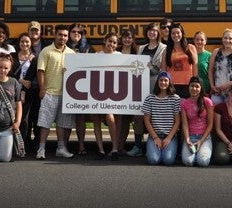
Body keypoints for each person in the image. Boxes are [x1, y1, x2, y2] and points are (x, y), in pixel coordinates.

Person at [36, 25, 76, 160]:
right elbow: (40, 71)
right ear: (55, 35)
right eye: (60, 35)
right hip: (49, 93)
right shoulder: (46, 51)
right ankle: (41, 149)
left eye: (65, 35)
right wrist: (42, 89)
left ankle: (61, 149)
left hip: (66, 94)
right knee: (45, 124)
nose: (62, 38)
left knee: (62, 124)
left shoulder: (71, 53)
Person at [128, 22, 166, 157]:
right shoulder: (141, 48)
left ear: (158, 33)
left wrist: (149, 66)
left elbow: (162, 70)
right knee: (138, 117)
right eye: (150, 31)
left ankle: (153, 144)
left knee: (154, 117)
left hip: (156, 87)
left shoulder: (164, 48)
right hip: (141, 87)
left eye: (155, 31)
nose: (152, 33)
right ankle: (138, 146)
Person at [92, 32, 121, 160]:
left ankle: (114, 149)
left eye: (114, 42)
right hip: (96, 91)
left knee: (110, 118)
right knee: (96, 120)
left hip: (111, 93)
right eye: (110, 41)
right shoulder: (97, 55)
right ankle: (101, 149)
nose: (112, 44)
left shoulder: (120, 56)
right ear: (105, 41)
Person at [142, 71, 181, 166]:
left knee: (168, 160)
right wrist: (155, 137)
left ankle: (167, 150)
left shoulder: (175, 99)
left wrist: (169, 138)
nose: (163, 83)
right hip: (155, 135)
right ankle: (154, 150)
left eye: (165, 80)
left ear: (169, 82)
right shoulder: (150, 98)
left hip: (170, 136)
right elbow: (146, 120)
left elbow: (177, 121)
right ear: (157, 82)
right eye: (161, 80)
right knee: (153, 160)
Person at [67, 22, 93, 155]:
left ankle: (81, 144)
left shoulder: (88, 48)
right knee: (64, 116)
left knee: (80, 117)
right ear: (69, 33)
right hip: (65, 85)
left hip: (83, 85)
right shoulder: (63, 48)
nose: (76, 34)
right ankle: (63, 145)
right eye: (73, 32)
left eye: (79, 32)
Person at [11, 33, 39, 153]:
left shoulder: (34, 58)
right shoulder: (12, 56)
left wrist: (29, 84)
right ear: (19, 43)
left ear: (31, 43)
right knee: (17, 118)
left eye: (27, 42)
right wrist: (21, 81)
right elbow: (8, 72)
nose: (24, 44)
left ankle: (27, 143)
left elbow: (37, 76)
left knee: (28, 118)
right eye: (22, 41)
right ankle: (17, 143)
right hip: (13, 91)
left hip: (30, 92)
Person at [208, 28, 232, 105]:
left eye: (230, 38)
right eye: (225, 38)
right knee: (216, 114)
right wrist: (212, 85)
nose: (227, 40)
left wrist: (229, 84)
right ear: (222, 39)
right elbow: (210, 70)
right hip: (217, 91)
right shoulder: (216, 52)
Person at [180, 76, 214, 167]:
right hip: (190, 137)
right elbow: (185, 123)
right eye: (192, 86)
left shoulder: (207, 102)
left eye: (197, 86)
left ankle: (202, 152)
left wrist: (201, 141)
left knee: (203, 162)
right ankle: (195, 154)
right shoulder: (184, 103)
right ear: (189, 87)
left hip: (204, 137)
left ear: (201, 88)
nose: (194, 89)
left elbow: (210, 124)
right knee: (188, 162)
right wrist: (187, 140)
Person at [161, 23, 197, 98]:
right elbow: (163, 69)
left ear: (182, 34)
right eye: (173, 33)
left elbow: (195, 67)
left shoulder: (191, 48)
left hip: (188, 85)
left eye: (178, 32)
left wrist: (195, 83)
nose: (176, 35)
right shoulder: (166, 50)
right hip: (172, 85)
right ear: (170, 35)